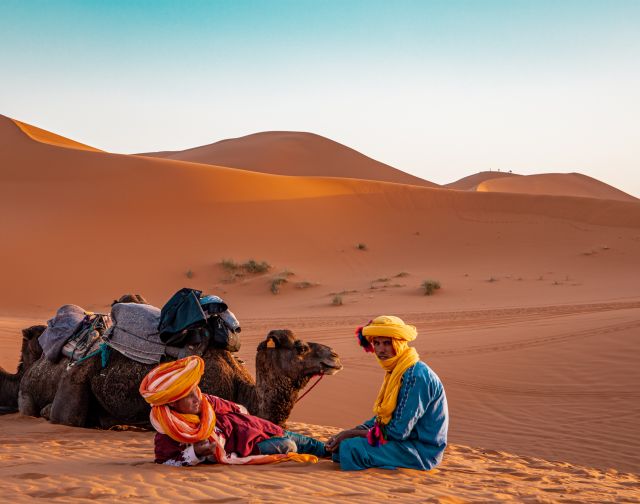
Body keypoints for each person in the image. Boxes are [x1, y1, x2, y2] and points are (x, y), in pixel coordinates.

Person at [139, 355, 327, 466]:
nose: (197, 398)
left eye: (195, 391)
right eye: (188, 396)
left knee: (319, 446)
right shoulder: (169, 432)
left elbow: (240, 410)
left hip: (262, 428)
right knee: (289, 446)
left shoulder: (208, 402)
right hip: (251, 446)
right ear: (172, 403)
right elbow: (166, 462)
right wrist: (196, 452)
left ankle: (343, 451)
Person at [326, 315, 448, 471]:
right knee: (342, 446)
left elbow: (398, 432)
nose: (380, 349)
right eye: (376, 343)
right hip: (404, 444)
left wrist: (351, 434)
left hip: (421, 451)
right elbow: (383, 418)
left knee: (352, 448)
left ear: (399, 344)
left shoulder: (415, 376)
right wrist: (348, 432)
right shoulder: (397, 371)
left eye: (387, 343)